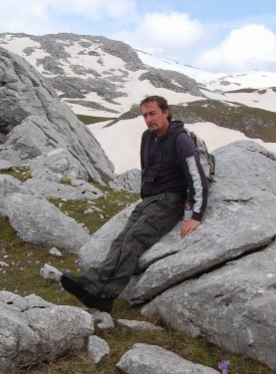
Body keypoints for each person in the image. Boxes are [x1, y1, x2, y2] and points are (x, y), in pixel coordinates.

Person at [60, 95, 209, 312]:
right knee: (121, 240)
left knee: (134, 240)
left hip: (170, 201)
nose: (149, 120)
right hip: (149, 200)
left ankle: (104, 293)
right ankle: (93, 284)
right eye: (145, 115)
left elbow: (197, 177)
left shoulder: (180, 139)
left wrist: (196, 215)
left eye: (153, 114)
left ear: (166, 112)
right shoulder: (147, 137)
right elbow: (146, 169)